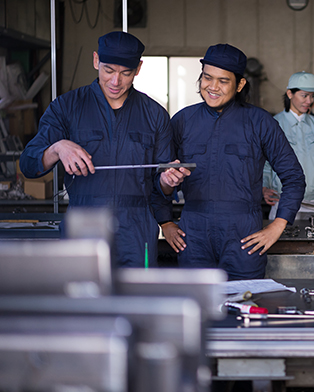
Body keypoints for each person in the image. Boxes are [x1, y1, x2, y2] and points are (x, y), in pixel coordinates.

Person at [19, 31, 189, 267]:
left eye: (125, 73)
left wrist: (168, 181)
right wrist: (57, 148)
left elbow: (161, 189)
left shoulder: (154, 114)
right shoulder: (67, 107)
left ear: (138, 69)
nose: (115, 81)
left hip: (137, 229)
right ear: (96, 60)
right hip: (85, 224)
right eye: (109, 70)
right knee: (84, 299)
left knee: (135, 299)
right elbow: (28, 164)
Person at [156, 43, 305, 280]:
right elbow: (160, 178)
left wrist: (277, 226)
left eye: (223, 81)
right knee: (198, 309)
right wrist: (165, 222)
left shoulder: (260, 122)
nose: (212, 87)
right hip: (193, 233)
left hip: (243, 236)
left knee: (244, 305)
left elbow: (294, 178)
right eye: (207, 78)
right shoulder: (183, 120)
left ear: (240, 84)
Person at [262, 71, 314, 220]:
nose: (309, 101)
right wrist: (264, 187)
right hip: (283, 199)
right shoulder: (274, 124)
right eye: (304, 95)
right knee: (283, 242)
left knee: (313, 241)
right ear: (290, 94)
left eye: (312, 96)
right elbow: (266, 163)